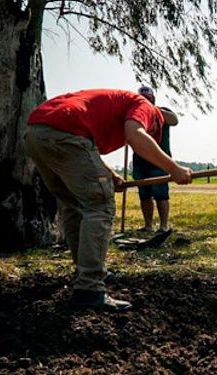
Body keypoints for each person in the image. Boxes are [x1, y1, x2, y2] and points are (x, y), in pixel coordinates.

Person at [24, 89, 193, 311]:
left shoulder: (114, 103)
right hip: (65, 134)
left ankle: (85, 272)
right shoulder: (147, 108)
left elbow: (85, 144)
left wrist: (110, 176)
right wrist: (173, 168)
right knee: (100, 205)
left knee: (73, 205)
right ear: (156, 125)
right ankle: (90, 289)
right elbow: (135, 135)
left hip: (36, 134)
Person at [133, 86, 177, 233]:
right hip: (140, 161)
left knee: (161, 194)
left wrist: (154, 110)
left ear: (153, 98)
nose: (146, 101)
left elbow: (174, 120)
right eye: (143, 98)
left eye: (149, 98)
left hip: (160, 160)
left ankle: (163, 226)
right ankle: (148, 226)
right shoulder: (136, 115)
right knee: (144, 195)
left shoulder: (162, 112)